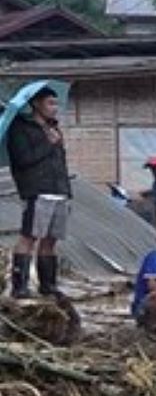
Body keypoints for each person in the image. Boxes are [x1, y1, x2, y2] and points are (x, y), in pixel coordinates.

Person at [6, 84, 71, 298]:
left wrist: (66, 190)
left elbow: (60, 161)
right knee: (29, 236)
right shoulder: (20, 128)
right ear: (36, 104)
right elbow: (23, 159)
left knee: (51, 239)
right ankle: (20, 286)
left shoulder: (54, 128)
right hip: (37, 189)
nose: (55, 108)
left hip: (58, 190)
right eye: (50, 103)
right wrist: (48, 144)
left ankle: (48, 285)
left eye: (56, 103)